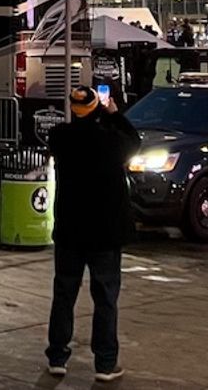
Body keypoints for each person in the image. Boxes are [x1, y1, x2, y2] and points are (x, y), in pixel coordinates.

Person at [45, 85, 140, 383]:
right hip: (104, 233)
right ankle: (105, 363)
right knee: (105, 299)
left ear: (73, 108)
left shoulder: (60, 137)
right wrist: (112, 114)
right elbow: (134, 141)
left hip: (70, 231)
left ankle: (57, 357)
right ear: (96, 108)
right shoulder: (110, 141)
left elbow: (65, 136)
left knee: (64, 295)